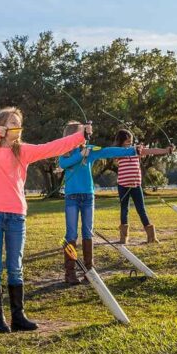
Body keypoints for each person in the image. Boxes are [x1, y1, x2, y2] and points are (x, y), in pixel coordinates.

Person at [0, 108, 88, 333]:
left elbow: (52, 147)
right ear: (1, 126)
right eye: (11, 123)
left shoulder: (24, 151)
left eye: (19, 123)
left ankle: (18, 317)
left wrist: (81, 136)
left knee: (15, 267)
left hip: (17, 215)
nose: (16, 127)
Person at [57, 121, 138, 285]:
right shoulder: (65, 152)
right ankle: (70, 273)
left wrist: (132, 150)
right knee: (71, 235)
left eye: (87, 133)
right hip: (71, 197)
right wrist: (81, 154)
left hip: (88, 197)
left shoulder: (91, 149)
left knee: (88, 233)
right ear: (74, 136)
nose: (86, 136)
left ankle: (89, 271)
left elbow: (108, 151)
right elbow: (63, 164)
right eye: (83, 133)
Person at [112, 129, 174, 244]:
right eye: (126, 142)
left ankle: (151, 237)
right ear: (120, 142)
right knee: (124, 209)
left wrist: (166, 150)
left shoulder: (137, 151)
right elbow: (115, 154)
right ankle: (123, 238)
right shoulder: (118, 152)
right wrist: (133, 149)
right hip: (123, 186)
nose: (129, 144)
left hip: (136, 185)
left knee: (141, 210)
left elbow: (152, 150)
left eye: (130, 142)